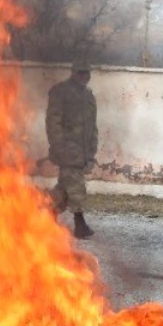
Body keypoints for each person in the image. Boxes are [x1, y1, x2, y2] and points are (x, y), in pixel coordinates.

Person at [46, 61, 99, 239]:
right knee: (76, 187)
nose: (85, 77)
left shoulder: (88, 96)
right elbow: (53, 122)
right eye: (81, 73)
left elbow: (92, 126)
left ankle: (46, 214)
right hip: (67, 150)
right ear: (74, 73)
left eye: (87, 74)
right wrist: (58, 146)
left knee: (63, 188)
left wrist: (92, 150)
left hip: (82, 151)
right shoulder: (61, 92)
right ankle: (80, 224)